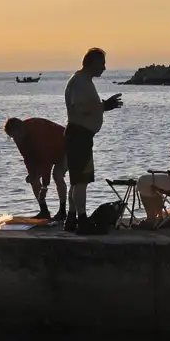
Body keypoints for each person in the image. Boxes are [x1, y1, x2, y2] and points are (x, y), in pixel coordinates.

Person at [63, 47, 123, 234]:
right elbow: (80, 107)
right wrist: (104, 105)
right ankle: (82, 221)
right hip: (79, 136)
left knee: (76, 181)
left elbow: (89, 108)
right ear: (93, 63)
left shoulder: (82, 80)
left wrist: (105, 107)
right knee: (81, 181)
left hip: (80, 135)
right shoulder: (80, 81)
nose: (104, 68)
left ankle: (72, 218)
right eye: (102, 64)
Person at [3, 117, 68, 220]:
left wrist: (45, 187)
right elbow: (27, 158)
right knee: (33, 179)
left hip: (67, 147)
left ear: (21, 129)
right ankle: (44, 211)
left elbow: (46, 160)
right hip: (49, 153)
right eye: (12, 137)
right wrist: (32, 173)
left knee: (57, 175)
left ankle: (62, 211)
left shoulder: (37, 130)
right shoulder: (18, 137)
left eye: (15, 135)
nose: (15, 139)